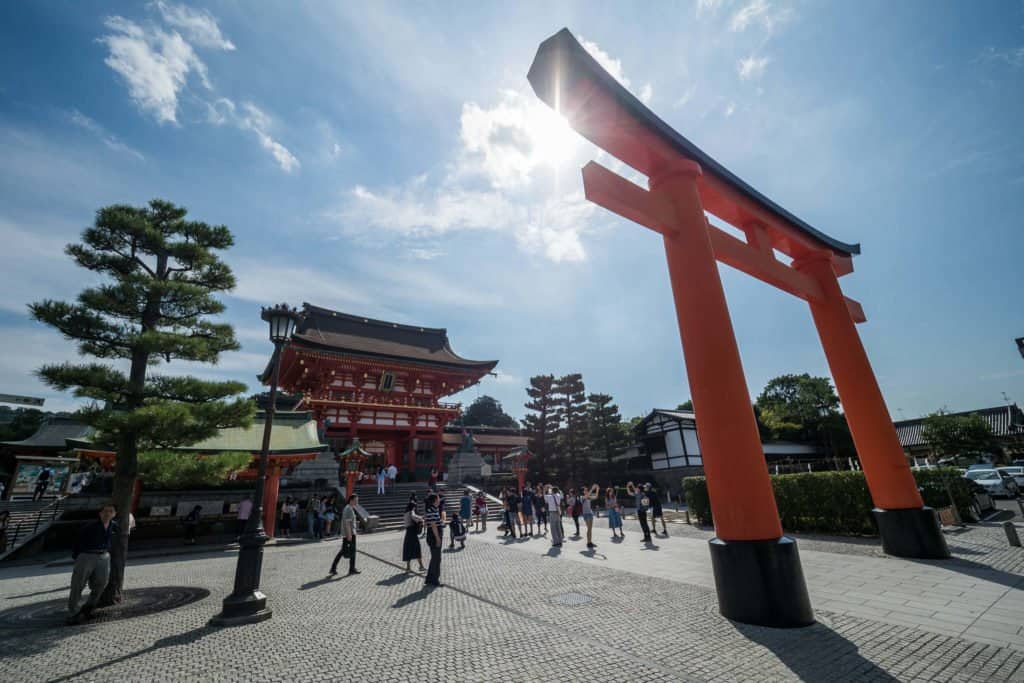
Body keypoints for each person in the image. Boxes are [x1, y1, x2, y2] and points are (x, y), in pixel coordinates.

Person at [67, 503, 118, 624]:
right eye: (105, 511)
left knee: (102, 582)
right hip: (87, 555)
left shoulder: (114, 526)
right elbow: (78, 541)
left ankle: (88, 608)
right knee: (78, 584)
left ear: (114, 514)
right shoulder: (90, 527)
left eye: (111, 511)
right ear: (100, 513)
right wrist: (78, 556)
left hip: (104, 556)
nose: (108, 514)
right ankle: (73, 612)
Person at [330, 494, 363, 576]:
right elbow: (347, 523)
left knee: (346, 551)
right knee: (347, 551)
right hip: (349, 534)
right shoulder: (348, 509)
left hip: (350, 534)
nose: (357, 502)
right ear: (351, 500)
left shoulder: (349, 508)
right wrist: (349, 535)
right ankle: (349, 569)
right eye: (356, 500)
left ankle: (337, 568)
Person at [423, 493, 443, 586]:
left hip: (434, 535)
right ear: (435, 500)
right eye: (438, 499)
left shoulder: (433, 509)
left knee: (435, 558)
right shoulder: (431, 510)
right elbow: (434, 526)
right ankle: (434, 579)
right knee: (436, 558)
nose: (439, 500)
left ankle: (429, 578)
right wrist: (438, 538)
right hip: (434, 536)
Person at [402, 501, 426, 573]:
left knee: (408, 549)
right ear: (413, 507)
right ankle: (421, 566)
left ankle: (408, 567)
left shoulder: (405, 513)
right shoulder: (411, 512)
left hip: (408, 533)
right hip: (412, 533)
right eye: (415, 507)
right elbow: (414, 517)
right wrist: (421, 518)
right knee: (417, 549)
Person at [581, 483, 600, 548]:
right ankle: (589, 543)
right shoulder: (582, 497)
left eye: (587, 490)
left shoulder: (588, 497)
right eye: (585, 490)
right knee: (589, 529)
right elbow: (587, 496)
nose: (586, 491)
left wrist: (597, 489)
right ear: (583, 491)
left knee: (590, 529)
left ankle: (590, 542)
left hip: (590, 513)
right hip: (586, 514)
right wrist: (592, 489)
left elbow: (596, 497)